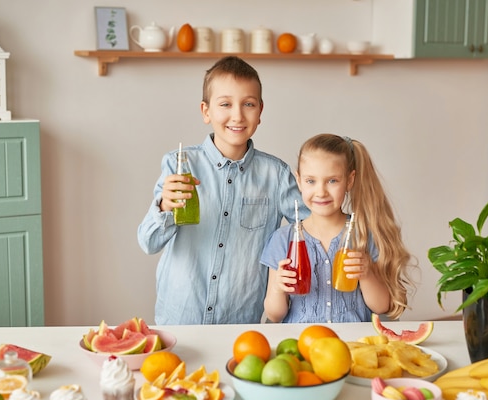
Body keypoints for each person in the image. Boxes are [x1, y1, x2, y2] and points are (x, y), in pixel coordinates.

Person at [137, 56, 308, 325]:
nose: (237, 115)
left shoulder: (276, 175)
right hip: (180, 319)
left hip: (241, 323)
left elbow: (313, 228)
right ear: (206, 111)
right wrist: (164, 207)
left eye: (248, 104)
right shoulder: (180, 165)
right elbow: (148, 242)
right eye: (225, 104)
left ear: (260, 111)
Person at [261, 134, 415, 323]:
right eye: (311, 181)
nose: (321, 192)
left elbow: (381, 306)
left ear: (349, 181)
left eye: (332, 181)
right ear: (299, 181)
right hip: (302, 342)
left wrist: (366, 275)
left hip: (353, 344)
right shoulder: (283, 240)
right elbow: (274, 315)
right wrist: (278, 288)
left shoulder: (364, 236)